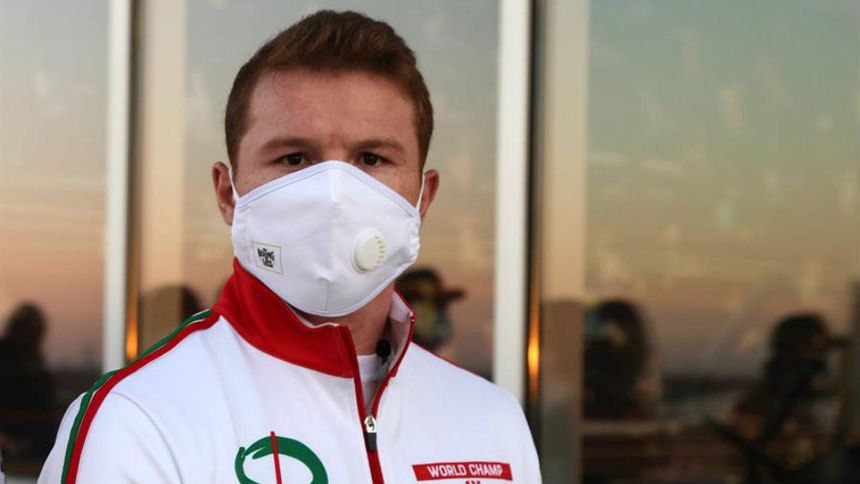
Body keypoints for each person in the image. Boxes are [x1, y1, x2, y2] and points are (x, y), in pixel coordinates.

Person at [39, 10, 541, 483]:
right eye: (295, 158)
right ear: (228, 194)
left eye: (371, 159)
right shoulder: (140, 421)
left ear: (422, 198)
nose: (335, 195)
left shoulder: (491, 422)